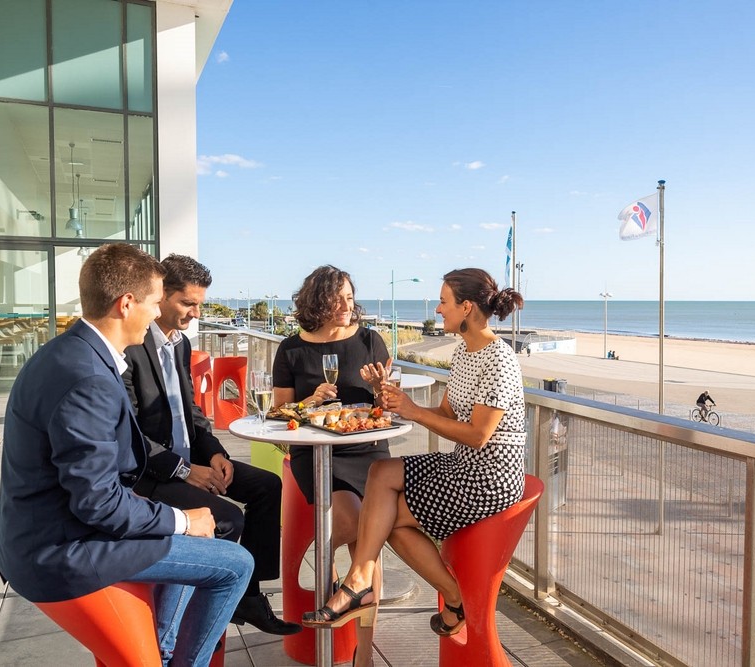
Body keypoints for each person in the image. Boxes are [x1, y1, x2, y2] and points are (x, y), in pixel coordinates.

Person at [0, 243, 253, 665]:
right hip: (64, 549)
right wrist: (184, 521)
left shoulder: (68, 353)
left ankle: (163, 647)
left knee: (203, 535)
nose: (155, 315)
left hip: (47, 531)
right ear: (126, 304)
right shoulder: (89, 378)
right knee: (235, 564)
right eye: (154, 303)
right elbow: (98, 503)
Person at [302, 268, 526, 658]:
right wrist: (398, 405)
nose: (438, 310)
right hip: (464, 465)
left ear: (466, 307)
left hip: (489, 477)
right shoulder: (465, 350)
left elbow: (478, 434)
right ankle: (389, 586)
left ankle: (365, 584)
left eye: (444, 301)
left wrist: (414, 413)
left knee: (384, 515)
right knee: (380, 475)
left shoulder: (498, 359)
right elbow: (444, 411)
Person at [122, 254, 299, 636]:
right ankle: (196, 617)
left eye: (199, 304)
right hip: (153, 473)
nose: (195, 313)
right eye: (188, 303)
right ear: (161, 295)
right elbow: (130, 433)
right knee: (227, 518)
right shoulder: (131, 347)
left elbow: (193, 415)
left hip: (191, 462)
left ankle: (248, 597)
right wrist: (185, 471)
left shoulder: (181, 345)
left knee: (267, 486)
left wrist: (216, 454)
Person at [272, 265, 393, 665]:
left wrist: (380, 391)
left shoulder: (371, 340)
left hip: (367, 448)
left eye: (350, 297)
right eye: (337, 298)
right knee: (363, 529)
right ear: (317, 301)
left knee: (365, 540)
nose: (347, 305)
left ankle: (363, 651)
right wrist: (310, 403)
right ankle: (338, 584)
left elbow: (385, 406)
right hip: (315, 453)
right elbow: (278, 410)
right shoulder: (291, 349)